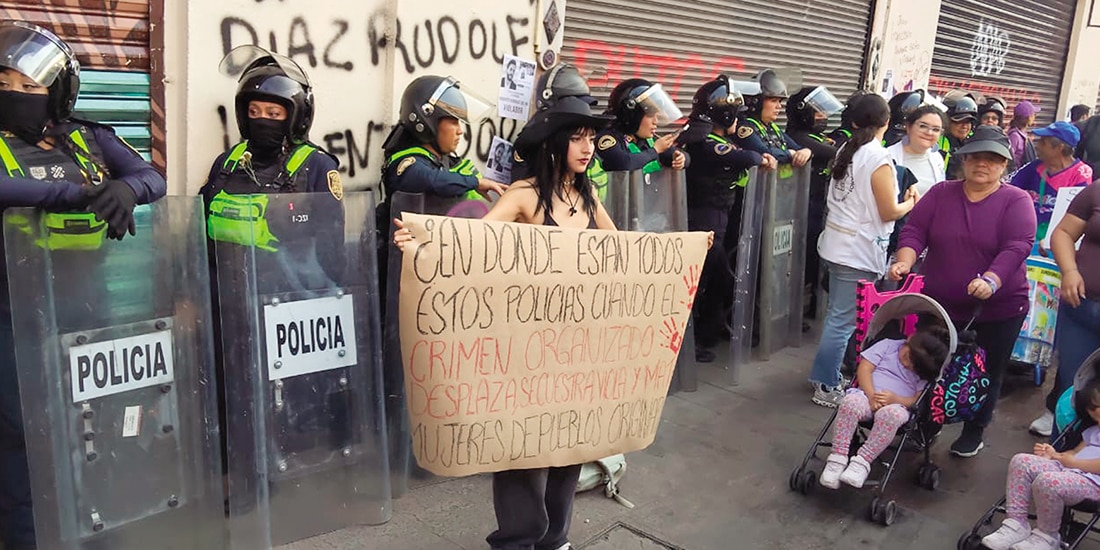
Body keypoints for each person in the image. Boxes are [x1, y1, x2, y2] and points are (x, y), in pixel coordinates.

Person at [0, 21, 166, 550]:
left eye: (29, 87)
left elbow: (153, 177)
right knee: (23, 439)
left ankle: (94, 531)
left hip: (86, 310)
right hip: (11, 315)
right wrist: (73, 195)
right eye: (5, 82)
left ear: (57, 92)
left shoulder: (87, 136)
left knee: (92, 429)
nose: (15, 94)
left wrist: (124, 186)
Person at [891, 125, 1036, 457]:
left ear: (1005, 164)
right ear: (963, 160)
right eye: (975, 157)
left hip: (999, 307)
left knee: (986, 370)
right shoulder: (942, 193)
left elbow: (1017, 246)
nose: (982, 164)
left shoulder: (1016, 201)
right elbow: (914, 231)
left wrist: (991, 280)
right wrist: (905, 261)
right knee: (930, 362)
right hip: (939, 303)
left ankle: (975, 429)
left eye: (992, 159)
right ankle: (925, 425)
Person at [809, 94, 919, 407]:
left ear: (854, 122)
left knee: (836, 318)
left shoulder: (849, 148)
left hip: (838, 246)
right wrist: (911, 201)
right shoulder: (877, 158)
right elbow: (888, 212)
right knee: (842, 322)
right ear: (887, 122)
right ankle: (826, 385)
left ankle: (825, 376)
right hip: (855, 251)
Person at [683, 75, 766, 363]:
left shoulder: (709, 136)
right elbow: (751, 159)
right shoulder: (706, 141)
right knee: (704, 281)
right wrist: (750, 153)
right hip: (704, 220)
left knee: (714, 280)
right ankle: (691, 343)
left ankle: (704, 336)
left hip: (715, 217)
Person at [819, 325, 951, 489]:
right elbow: (865, 368)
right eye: (908, 356)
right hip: (866, 396)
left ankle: (862, 462)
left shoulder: (923, 370)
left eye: (914, 365)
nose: (908, 363)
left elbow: (917, 399)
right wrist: (871, 394)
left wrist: (897, 399)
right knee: (850, 403)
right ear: (909, 340)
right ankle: (837, 458)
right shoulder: (888, 345)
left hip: (897, 406)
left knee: (892, 415)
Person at [980, 376, 1100, 550]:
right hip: (1070, 470)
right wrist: (1054, 455)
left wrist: (1074, 463)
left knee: (1048, 482)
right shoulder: (1093, 432)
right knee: (1021, 461)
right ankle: (1016, 523)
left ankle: (1047, 537)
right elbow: (1074, 453)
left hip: (1093, 483)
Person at [1027, 180, 1100, 438]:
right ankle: (1062, 453)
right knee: (1072, 389)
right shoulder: (1096, 190)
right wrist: (1069, 271)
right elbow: (1063, 233)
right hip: (1082, 308)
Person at [787, 85, 842, 316]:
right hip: (801, 206)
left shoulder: (816, 137)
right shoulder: (798, 137)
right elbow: (836, 152)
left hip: (817, 204)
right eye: (817, 112)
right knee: (801, 259)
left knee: (812, 258)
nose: (823, 117)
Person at [1010, 121, 1092, 250]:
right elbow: (1010, 187)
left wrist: (1050, 240)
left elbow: (1077, 215)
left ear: (1059, 147)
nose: (1038, 146)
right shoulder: (1035, 167)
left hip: (1055, 241)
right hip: (1025, 235)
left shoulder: (1081, 173)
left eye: (1043, 142)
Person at [595, 78, 687, 173]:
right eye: (650, 115)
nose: (655, 121)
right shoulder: (607, 138)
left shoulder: (645, 139)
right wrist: (654, 151)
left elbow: (680, 155)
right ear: (632, 115)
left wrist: (680, 158)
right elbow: (624, 163)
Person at [732, 69, 812, 170]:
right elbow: (763, 152)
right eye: (774, 101)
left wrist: (806, 151)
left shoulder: (772, 128)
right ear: (756, 102)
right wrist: (789, 154)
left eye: (780, 101)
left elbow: (798, 149)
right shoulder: (743, 127)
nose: (779, 106)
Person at [887, 105, 947, 196]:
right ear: (908, 127)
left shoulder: (937, 159)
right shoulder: (888, 157)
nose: (929, 133)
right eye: (923, 126)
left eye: (936, 129)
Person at [939, 93, 978, 179]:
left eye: (968, 121)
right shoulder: (937, 142)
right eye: (959, 121)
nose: (964, 126)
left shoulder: (975, 142)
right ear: (947, 121)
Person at [1008, 100, 1040, 169]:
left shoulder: (1023, 134)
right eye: (1034, 114)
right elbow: (1010, 160)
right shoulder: (1014, 136)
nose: (1035, 117)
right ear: (1028, 118)